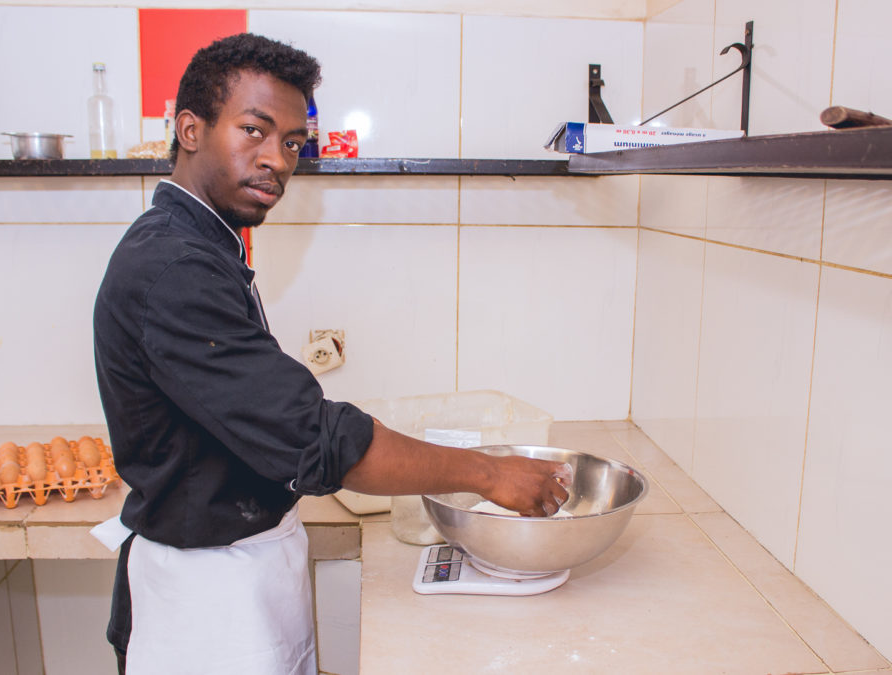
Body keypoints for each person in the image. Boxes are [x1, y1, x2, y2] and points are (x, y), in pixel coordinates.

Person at [91, 32, 570, 675]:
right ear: (190, 128)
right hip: (209, 611)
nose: (278, 161)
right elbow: (317, 439)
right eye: (255, 131)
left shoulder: (202, 244)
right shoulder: (174, 267)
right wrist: (488, 473)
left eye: (291, 142)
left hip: (241, 576)